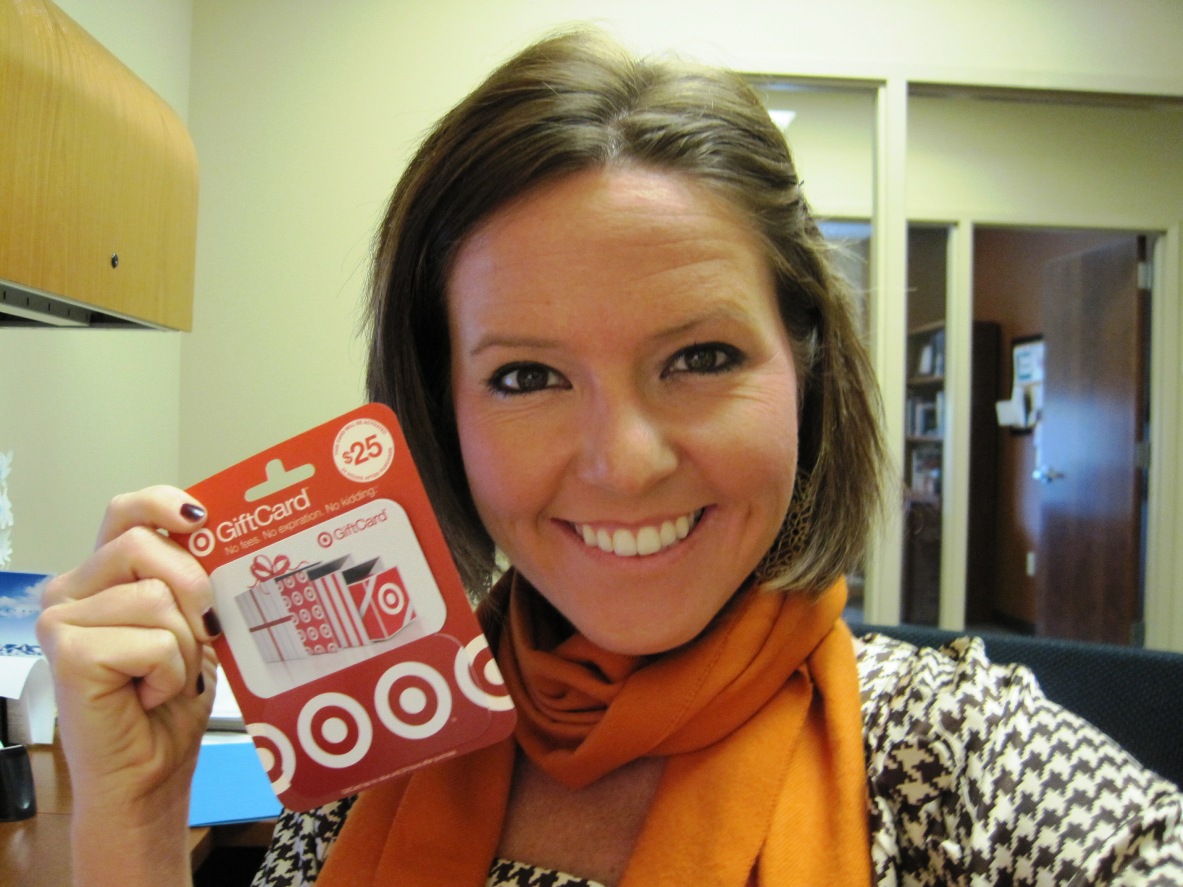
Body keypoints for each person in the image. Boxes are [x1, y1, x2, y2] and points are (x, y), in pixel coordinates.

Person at [37, 27, 1183, 887]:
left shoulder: (959, 762)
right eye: (526, 376)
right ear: (442, 407)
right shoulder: (381, 730)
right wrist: (131, 821)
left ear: (804, 367)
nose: (624, 463)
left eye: (699, 356)